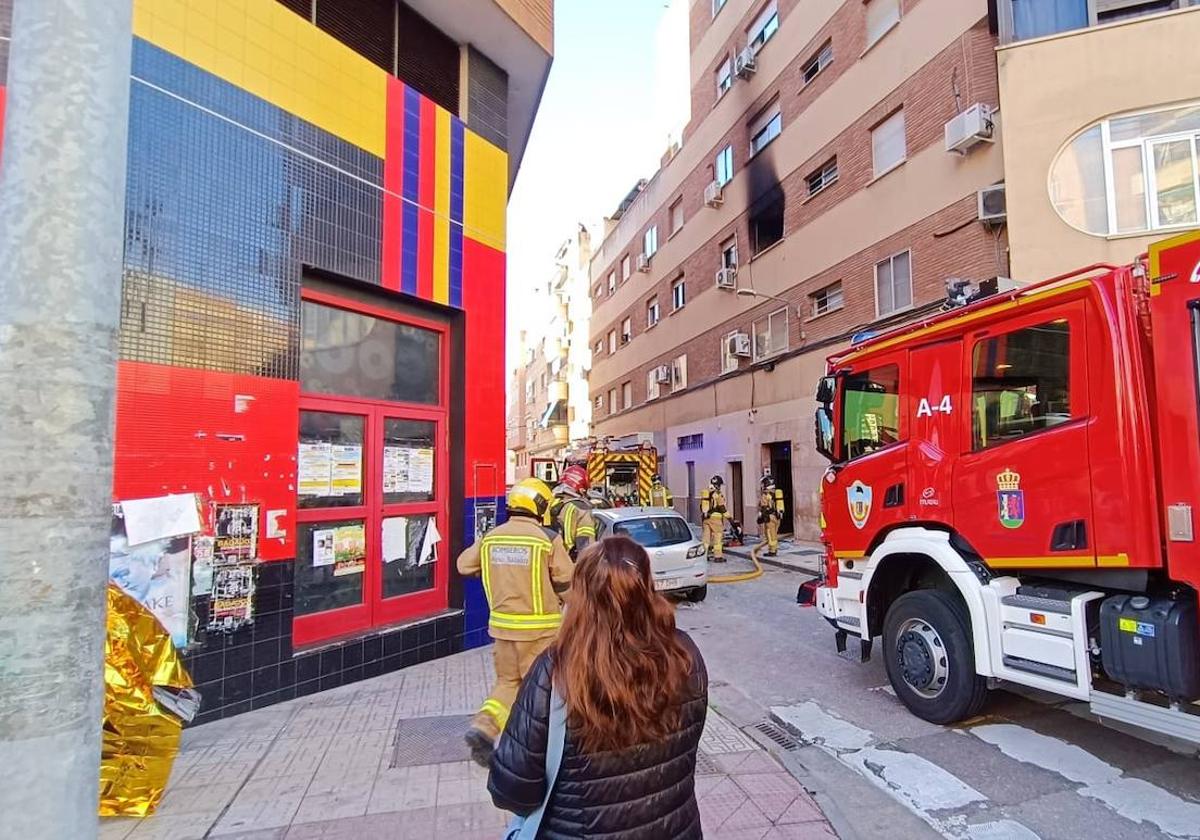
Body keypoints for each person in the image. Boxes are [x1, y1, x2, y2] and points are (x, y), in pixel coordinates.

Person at [490, 536, 708, 839]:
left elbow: (512, 791)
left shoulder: (555, 671)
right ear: (647, 588)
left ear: (581, 595)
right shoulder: (684, 655)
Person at [457, 477, 573, 767]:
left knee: (508, 683)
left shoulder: (493, 537)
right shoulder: (547, 539)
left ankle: (484, 727)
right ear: (541, 507)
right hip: (541, 634)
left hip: (503, 631)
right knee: (546, 693)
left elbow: (464, 565)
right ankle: (538, 750)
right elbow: (567, 579)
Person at [550, 464, 596, 560]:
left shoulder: (550, 502)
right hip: (569, 562)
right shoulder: (581, 509)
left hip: (548, 559)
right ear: (581, 489)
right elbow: (586, 546)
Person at [700, 474, 727, 562]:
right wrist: (731, 520)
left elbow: (702, 506)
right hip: (716, 520)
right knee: (717, 537)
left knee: (706, 538)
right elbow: (722, 508)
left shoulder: (706, 492)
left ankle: (704, 555)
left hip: (706, 519)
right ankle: (718, 556)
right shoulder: (718, 494)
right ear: (718, 485)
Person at [758, 474, 786, 556]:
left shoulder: (765, 494)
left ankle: (772, 551)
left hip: (769, 517)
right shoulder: (776, 492)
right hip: (777, 517)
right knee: (774, 534)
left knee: (770, 534)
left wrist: (760, 517)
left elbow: (763, 507)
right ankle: (774, 549)